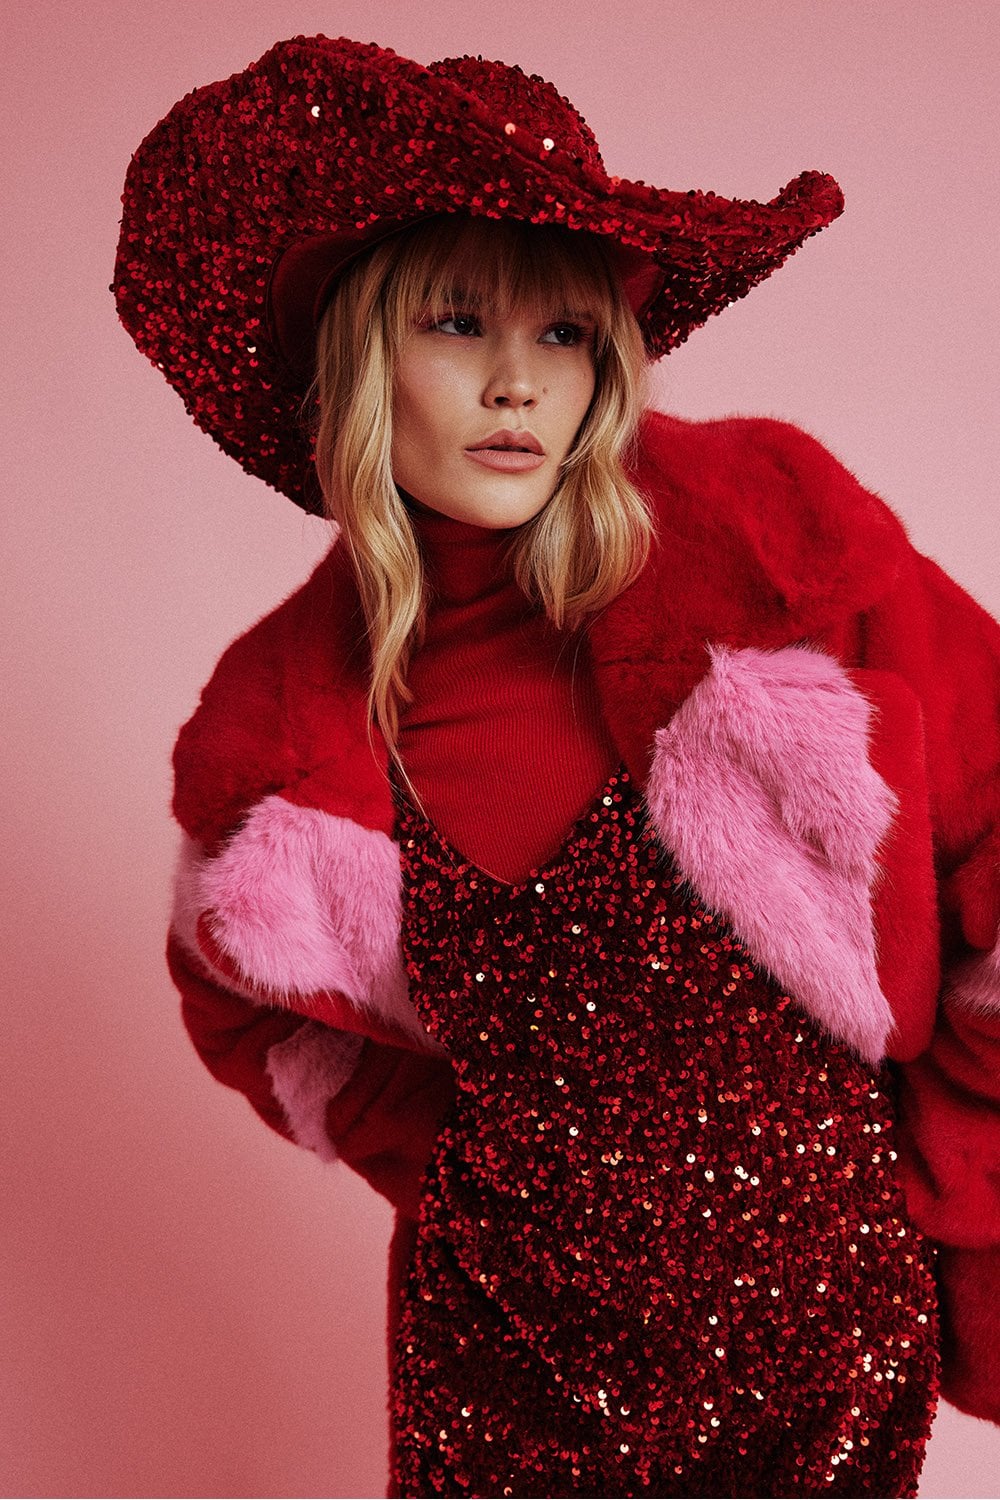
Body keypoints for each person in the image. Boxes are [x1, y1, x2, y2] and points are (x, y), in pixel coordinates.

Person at [113, 34, 1000, 1500]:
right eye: (460, 324)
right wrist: (493, 1192)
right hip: (499, 1361)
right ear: (355, 355)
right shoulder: (285, 731)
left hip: (822, 1343)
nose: (518, 385)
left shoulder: (784, 554)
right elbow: (255, 1018)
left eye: (566, 334)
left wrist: (922, 1182)